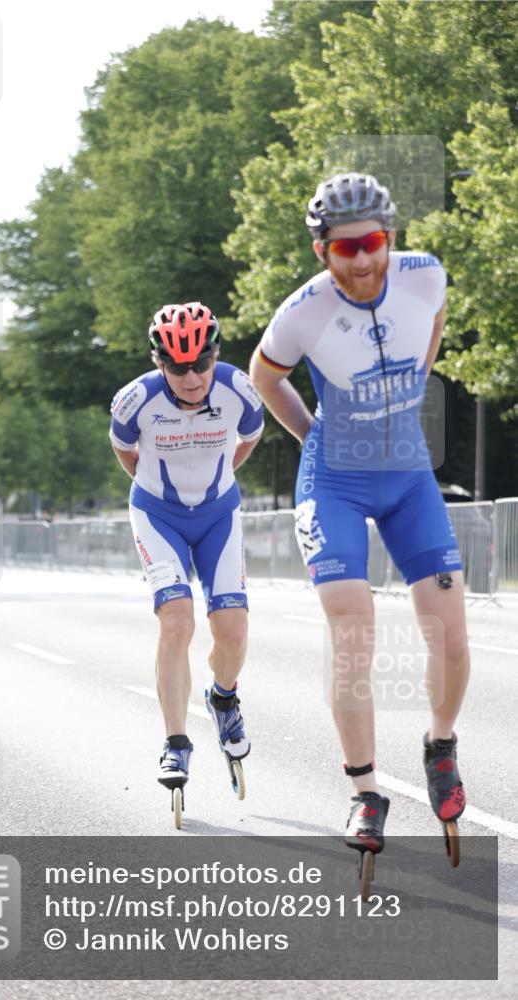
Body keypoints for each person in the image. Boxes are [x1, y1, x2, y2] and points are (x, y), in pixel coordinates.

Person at [249, 172, 469, 855]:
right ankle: (365, 790)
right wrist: (312, 432)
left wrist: (411, 392)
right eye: (345, 249)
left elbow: (431, 327)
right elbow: (264, 378)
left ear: (391, 238)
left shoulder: (425, 277)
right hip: (335, 482)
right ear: (322, 252)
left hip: (406, 476)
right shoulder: (301, 312)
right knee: (352, 627)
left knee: (449, 633)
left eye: (372, 243)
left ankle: (438, 743)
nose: (362, 259)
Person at [109, 302, 264, 805]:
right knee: (177, 622)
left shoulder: (239, 389)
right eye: (178, 367)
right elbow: (125, 453)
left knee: (233, 631)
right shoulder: (135, 402)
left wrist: (219, 478)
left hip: (219, 513)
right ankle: (176, 741)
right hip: (158, 515)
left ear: (216, 354)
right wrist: (157, 490)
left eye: (202, 362)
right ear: (159, 363)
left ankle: (222, 696)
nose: (192, 376)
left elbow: (249, 438)